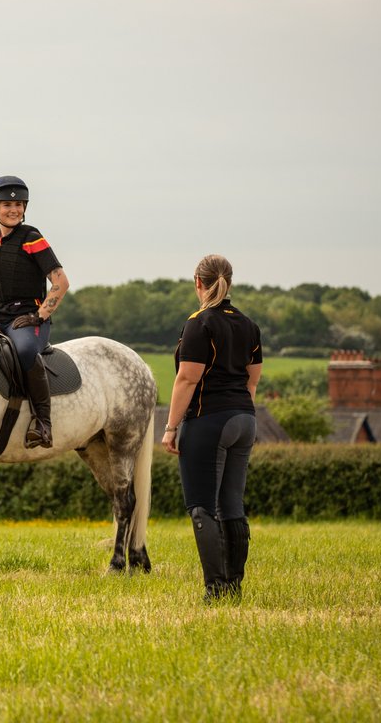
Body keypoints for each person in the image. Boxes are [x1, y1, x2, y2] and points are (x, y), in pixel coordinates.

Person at [161, 254, 262, 601]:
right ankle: (233, 586)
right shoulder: (249, 325)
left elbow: (186, 380)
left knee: (201, 506)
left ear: (198, 283)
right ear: (229, 282)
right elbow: (252, 383)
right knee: (232, 505)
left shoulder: (199, 324)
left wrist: (171, 427)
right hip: (244, 420)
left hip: (209, 421)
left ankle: (215, 589)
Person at [0, 175, 70, 448]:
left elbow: (60, 282)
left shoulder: (33, 238)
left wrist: (41, 315)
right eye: (7, 205)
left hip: (29, 317)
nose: (14, 210)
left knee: (23, 351)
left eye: (20, 205)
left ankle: (43, 423)